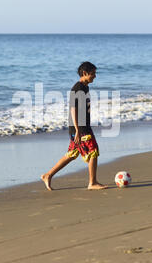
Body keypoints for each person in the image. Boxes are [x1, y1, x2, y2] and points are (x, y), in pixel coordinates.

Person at [41, 61, 108, 190]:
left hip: (81, 127)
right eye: (93, 74)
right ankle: (92, 183)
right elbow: (73, 109)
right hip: (80, 128)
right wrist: (77, 130)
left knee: (72, 153)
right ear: (84, 73)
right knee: (93, 151)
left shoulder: (85, 86)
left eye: (95, 73)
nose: (95, 76)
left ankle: (48, 175)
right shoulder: (78, 88)